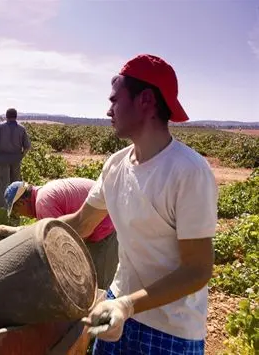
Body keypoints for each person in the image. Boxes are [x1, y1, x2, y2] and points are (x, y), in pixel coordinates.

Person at [56, 54, 217, 354]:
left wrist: (128, 305)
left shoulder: (189, 172)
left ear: (145, 100)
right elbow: (82, 222)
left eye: (115, 100)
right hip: (117, 309)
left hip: (169, 330)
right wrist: (24, 238)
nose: (108, 110)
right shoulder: (115, 165)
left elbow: (198, 269)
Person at [0, 178, 119, 290]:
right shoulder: (44, 194)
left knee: (98, 287)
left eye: (16, 211)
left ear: (21, 203)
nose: (19, 215)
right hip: (100, 223)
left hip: (105, 228)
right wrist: (7, 230)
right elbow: (42, 230)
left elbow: (59, 242)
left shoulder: (42, 203)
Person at [0, 108, 31, 223]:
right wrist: (21, 156)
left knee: (3, 183)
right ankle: (15, 208)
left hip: (2, 159)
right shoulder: (21, 129)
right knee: (15, 183)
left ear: (6, 116)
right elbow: (27, 147)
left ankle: (2, 209)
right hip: (16, 159)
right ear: (16, 117)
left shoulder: (0, 127)